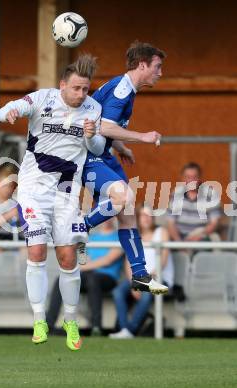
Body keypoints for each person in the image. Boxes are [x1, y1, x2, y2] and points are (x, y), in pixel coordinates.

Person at [0, 54, 106, 351]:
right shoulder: (43, 98)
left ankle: (70, 321)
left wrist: (92, 136)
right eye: (76, 89)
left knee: (67, 257)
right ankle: (39, 319)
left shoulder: (93, 108)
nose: (82, 94)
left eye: (86, 89)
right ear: (62, 85)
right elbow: (7, 109)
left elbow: (97, 147)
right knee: (36, 249)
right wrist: (9, 111)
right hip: (34, 189)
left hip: (67, 191)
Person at [80, 40, 168, 294]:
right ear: (143, 64)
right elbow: (104, 127)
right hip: (87, 156)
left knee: (127, 211)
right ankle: (78, 227)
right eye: (157, 67)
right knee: (125, 197)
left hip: (102, 154)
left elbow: (103, 125)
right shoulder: (122, 89)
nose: (160, 73)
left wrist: (121, 148)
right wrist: (142, 137)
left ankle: (139, 274)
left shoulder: (125, 88)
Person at [46, 218, 124, 335]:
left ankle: (96, 326)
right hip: (88, 276)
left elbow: (107, 260)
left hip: (108, 278)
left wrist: (81, 267)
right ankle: (49, 325)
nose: (106, 220)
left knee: (94, 279)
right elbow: (82, 259)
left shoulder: (119, 237)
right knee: (61, 280)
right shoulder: (91, 238)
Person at [109, 205, 174, 338]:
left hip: (159, 277)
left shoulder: (161, 232)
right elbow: (128, 262)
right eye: (143, 215)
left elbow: (163, 259)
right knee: (117, 292)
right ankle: (124, 329)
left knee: (145, 294)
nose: (147, 218)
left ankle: (130, 330)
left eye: (149, 215)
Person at [167, 162, 222, 245]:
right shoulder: (176, 194)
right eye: (188, 177)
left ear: (200, 178)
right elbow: (170, 224)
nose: (191, 181)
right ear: (183, 178)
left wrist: (197, 238)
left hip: (202, 236)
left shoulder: (211, 194)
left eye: (194, 177)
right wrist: (179, 243)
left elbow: (214, 223)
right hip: (180, 237)